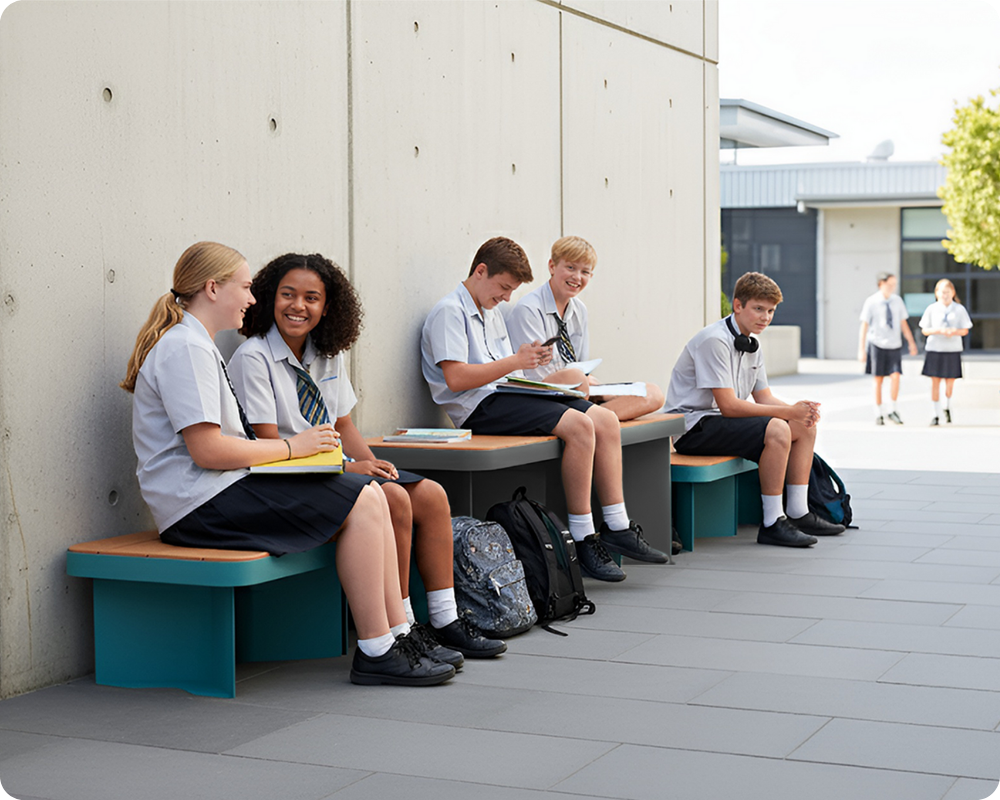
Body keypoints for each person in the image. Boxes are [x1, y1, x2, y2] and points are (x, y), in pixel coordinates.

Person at [120, 241, 454, 687]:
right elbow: (209, 451)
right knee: (362, 500)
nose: (251, 298)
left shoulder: (196, 343)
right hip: (198, 506)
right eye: (245, 287)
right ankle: (377, 650)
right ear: (213, 288)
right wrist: (294, 448)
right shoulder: (185, 347)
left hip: (219, 491)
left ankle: (396, 637)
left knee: (371, 494)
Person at [228, 252, 505, 661]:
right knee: (392, 498)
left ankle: (445, 619)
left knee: (430, 495)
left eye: (311, 298)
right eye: (287, 295)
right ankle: (403, 626)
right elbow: (269, 443)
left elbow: (343, 424)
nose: (298, 306)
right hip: (289, 473)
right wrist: (351, 468)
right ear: (270, 298)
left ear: (327, 307)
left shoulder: (327, 352)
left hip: (334, 468)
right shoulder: (253, 358)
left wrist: (373, 464)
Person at [420, 236, 669, 582]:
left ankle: (617, 525)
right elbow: (457, 379)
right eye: (504, 288)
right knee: (580, 426)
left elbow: (508, 373)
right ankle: (583, 537)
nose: (507, 298)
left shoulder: (489, 311)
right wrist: (516, 361)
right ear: (480, 271)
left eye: (511, 291)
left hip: (505, 395)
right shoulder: (450, 311)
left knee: (603, 419)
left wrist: (530, 373)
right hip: (477, 407)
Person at [664, 271, 845, 548]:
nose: (765, 317)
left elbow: (764, 398)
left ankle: (799, 512)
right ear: (738, 305)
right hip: (692, 428)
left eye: (771, 311)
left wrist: (800, 411)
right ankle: (773, 522)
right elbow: (728, 406)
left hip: (721, 423)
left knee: (804, 426)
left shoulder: (751, 344)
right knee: (778, 428)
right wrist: (788, 413)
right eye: (759, 309)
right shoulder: (714, 340)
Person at [505, 235, 665, 421]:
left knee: (652, 393)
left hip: (577, 391)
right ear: (552, 266)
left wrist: (591, 385)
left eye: (585, 272)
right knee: (576, 378)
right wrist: (579, 380)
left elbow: (581, 365)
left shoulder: (579, 310)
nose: (577, 277)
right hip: (543, 396)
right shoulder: (529, 309)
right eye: (570, 268)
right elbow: (537, 379)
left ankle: (592, 419)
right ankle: (591, 419)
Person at [858, 272, 918, 425]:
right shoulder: (871, 301)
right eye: (890, 284)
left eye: (894, 285)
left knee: (896, 376)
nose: (892, 287)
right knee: (878, 379)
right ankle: (878, 412)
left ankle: (892, 409)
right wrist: (861, 349)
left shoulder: (897, 301)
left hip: (894, 345)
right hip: (877, 344)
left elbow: (903, 323)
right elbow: (864, 326)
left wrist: (911, 342)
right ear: (881, 284)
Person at [919, 278, 972, 426]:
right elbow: (925, 329)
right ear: (937, 293)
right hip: (935, 349)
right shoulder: (932, 309)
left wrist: (954, 331)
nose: (945, 295)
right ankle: (935, 413)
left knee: (950, 382)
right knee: (935, 381)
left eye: (947, 292)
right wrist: (938, 330)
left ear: (953, 292)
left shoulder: (959, 309)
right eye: (942, 292)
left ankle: (946, 405)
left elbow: (965, 329)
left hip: (952, 349)